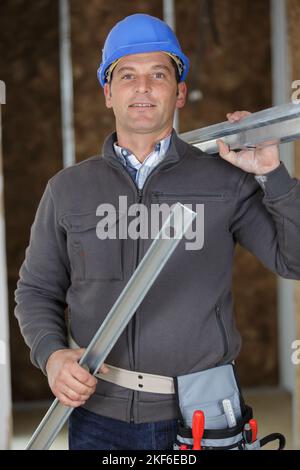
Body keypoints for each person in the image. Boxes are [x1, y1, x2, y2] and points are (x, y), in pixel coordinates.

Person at [15, 13, 300, 451]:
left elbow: (294, 261)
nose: (143, 87)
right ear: (108, 93)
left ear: (180, 92)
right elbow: (35, 290)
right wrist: (51, 355)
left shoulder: (224, 181)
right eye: (127, 75)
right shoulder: (68, 190)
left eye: (158, 75)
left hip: (202, 416)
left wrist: (273, 174)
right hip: (99, 419)